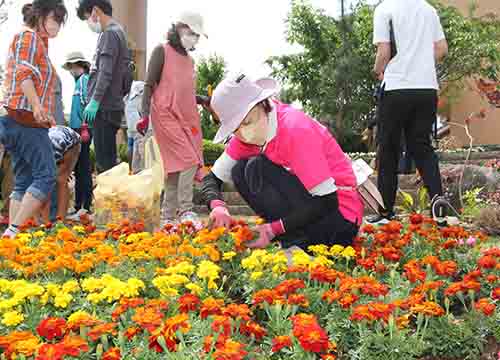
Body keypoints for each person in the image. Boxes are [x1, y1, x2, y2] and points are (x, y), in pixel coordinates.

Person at [200, 75, 364, 250]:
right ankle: (294, 236)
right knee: (239, 170)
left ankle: (298, 237)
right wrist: (217, 206)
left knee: (257, 167)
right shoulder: (245, 138)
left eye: (247, 122)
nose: (245, 135)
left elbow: (327, 200)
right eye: (235, 129)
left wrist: (273, 229)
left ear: (263, 104)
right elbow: (211, 179)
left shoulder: (295, 129)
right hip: (310, 212)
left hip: (339, 218)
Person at [370, 0, 448, 224]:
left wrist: (378, 71)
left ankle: (385, 211)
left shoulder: (385, 9)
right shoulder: (428, 9)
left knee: (388, 149)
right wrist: (420, 62)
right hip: (426, 89)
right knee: (422, 147)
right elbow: (442, 48)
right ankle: (437, 202)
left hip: (396, 89)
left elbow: (384, 51)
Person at [0, 0, 68, 238]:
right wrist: (38, 106)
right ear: (41, 15)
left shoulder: (38, 41)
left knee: (24, 180)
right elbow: (24, 75)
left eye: (60, 22)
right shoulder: (28, 38)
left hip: (21, 120)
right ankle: (13, 230)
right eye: (55, 19)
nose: (58, 26)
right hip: (26, 120)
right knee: (46, 175)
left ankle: (12, 236)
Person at [137, 11, 209, 227]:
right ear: (179, 29)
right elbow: (150, 84)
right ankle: (186, 210)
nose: (194, 38)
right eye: (192, 33)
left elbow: (182, 93)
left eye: (197, 35)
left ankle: (167, 217)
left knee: (175, 168)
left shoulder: (189, 61)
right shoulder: (162, 51)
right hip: (164, 114)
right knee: (189, 159)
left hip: (186, 119)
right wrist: (144, 114)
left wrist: (201, 99)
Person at [77, 0, 130, 173]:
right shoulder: (118, 32)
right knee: (108, 162)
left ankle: (109, 199)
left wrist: (95, 101)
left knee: (104, 165)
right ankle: (111, 197)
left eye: (87, 18)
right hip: (111, 106)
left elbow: (105, 72)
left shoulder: (110, 34)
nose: (89, 24)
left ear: (95, 11)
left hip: (104, 109)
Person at [62, 51, 94, 220]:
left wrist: (84, 127)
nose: (71, 70)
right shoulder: (79, 82)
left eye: (72, 66)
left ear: (79, 65)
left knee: (83, 168)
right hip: (79, 130)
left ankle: (84, 206)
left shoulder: (83, 80)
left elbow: (86, 103)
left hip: (83, 130)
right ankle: (79, 206)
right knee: (80, 167)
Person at [40, 126, 81, 223]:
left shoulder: (47, 153)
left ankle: (60, 222)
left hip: (70, 142)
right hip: (54, 140)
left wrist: (45, 224)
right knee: (45, 185)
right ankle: (46, 222)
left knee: (61, 179)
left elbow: (45, 189)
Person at [124, 81, 144, 173]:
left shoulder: (137, 86)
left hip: (134, 124)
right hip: (135, 124)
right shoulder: (138, 87)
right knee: (135, 145)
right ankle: (135, 171)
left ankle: (132, 171)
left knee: (132, 144)